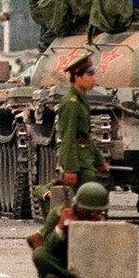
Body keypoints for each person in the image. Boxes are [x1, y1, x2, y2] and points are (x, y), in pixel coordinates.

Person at [27, 181, 108, 278]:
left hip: (88, 259)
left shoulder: (98, 219)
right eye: (89, 211)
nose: (94, 215)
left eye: (98, 211)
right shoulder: (58, 214)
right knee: (39, 254)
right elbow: (48, 246)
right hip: (63, 258)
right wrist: (61, 227)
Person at [56, 51, 108, 189]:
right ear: (77, 77)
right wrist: (70, 169)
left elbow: (86, 135)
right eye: (89, 75)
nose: (94, 80)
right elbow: (68, 136)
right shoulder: (71, 102)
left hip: (85, 158)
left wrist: (99, 160)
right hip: (78, 162)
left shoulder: (81, 100)